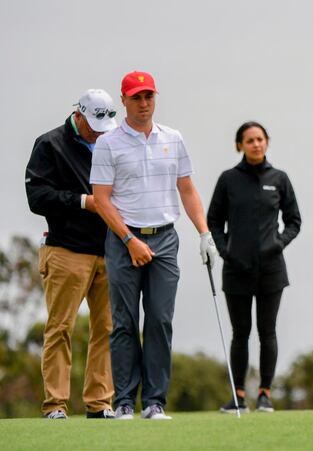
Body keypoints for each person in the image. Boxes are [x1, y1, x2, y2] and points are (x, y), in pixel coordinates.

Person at [90, 71, 219, 420]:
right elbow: (101, 200)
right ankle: (125, 402)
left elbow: (187, 189)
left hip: (164, 238)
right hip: (123, 239)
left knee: (160, 320)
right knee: (124, 322)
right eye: (136, 98)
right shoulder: (108, 143)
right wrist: (129, 240)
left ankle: (154, 402)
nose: (144, 104)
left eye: (149, 96)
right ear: (124, 100)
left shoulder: (173, 138)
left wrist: (204, 233)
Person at [25, 89, 119, 420]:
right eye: (93, 125)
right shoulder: (50, 144)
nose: (98, 132)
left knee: (107, 329)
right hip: (66, 251)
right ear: (77, 115)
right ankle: (55, 405)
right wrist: (83, 201)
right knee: (60, 328)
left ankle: (100, 402)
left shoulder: (111, 142)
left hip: (109, 251)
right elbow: (37, 197)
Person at [207, 121, 301, 413]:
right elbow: (214, 221)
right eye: (249, 140)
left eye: (260, 139)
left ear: (267, 142)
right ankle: (238, 396)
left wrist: (277, 244)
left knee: (267, 331)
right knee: (240, 333)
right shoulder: (228, 179)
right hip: (236, 268)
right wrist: (225, 252)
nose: (256, 144)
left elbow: (294, 221)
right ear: (240, 145)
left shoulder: (279, 179)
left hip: (271, 269)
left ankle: (264, 394)